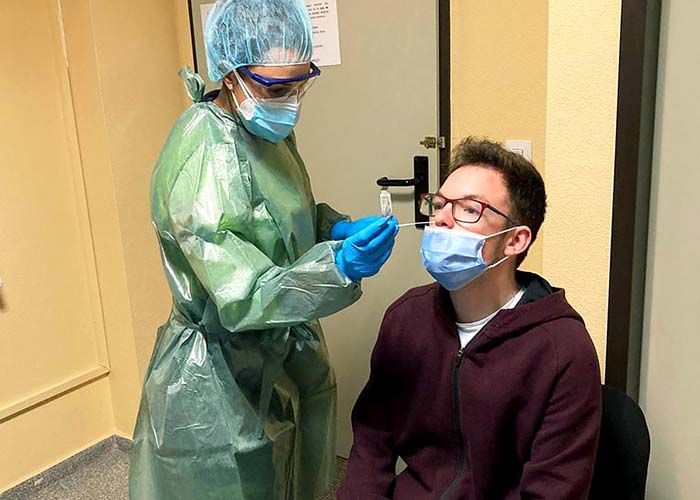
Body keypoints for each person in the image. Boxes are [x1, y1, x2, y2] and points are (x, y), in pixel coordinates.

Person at [128, 1, 398, 499]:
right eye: (276, 88)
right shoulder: (203, 154)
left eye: (301, 83)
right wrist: (336, 267)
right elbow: (243, 293)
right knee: (235, 481)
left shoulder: (263, 132)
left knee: (288, 475)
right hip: (216, 377)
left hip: (278, 349)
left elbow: (277, 221)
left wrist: (333, 229)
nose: (290, 100)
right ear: (231, 75)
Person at [339, 138, 602, 499]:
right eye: (439, 204)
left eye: (468, 209)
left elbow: (553, 491)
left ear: (515, 240)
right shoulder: (407, 319)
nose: (441, 218)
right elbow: (372, 442)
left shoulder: (562, 350)